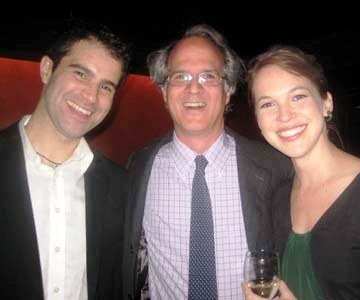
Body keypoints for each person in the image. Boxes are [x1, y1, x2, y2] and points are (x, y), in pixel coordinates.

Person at [122, 24, 292, 300]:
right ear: (164, 92)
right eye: (181, 76)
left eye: (208, 77)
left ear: (228, 91)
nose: (193, 89)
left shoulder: (276, 168)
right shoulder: (139, 167)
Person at [243, 45, 360, 299]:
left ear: (327, 103)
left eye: (298, 97)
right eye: (268, 104)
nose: (284, 116)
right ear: (259, 122)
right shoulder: (279, 198)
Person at [0, 21, 131, 300]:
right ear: (47, 69)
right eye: (81, 74)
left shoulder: (120, 187)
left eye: (106, 87)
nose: (91, 96)